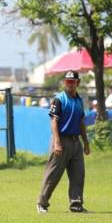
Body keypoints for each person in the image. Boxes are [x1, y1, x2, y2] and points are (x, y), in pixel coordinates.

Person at [37, 70, 90, 214]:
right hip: (61, 140)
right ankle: (42, 203)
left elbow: (81, 122)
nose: (70, 84)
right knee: (53, 175)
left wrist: (85, 142)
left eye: (72, 81)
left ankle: (76, 204)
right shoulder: (59, 99)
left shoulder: (79, 100)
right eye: (67, 81)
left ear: (78, 83)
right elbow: (54, 121)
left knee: (78, 175)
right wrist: (57, 142)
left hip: (75, 142)